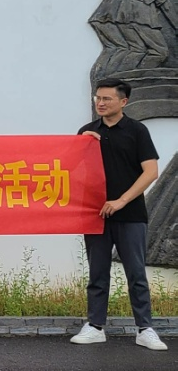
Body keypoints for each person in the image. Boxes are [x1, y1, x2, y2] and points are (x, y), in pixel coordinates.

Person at [70, 78, 167, 351]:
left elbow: (151, 171)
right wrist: (81, 146)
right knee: (97, 274)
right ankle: (95, 326)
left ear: (124, 101)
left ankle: (145, 329)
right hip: (95, 214)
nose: (100, 103)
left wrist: (122, 200)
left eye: (107, 99)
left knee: (136, 274)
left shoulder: (137, 131)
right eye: (97, 98)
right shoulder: (87, 132)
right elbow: (69, 169)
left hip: (131, 214)